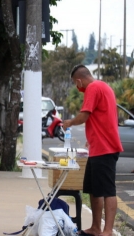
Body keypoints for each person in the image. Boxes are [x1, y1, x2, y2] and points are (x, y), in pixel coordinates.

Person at [62, 65, 123, 236]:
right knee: (94, 189)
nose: (77, 87)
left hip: (105, 148)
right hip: (97, 147)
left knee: (107, 190)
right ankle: (96, 227)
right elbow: (99, 118)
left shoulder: (93, 88)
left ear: (79, 80)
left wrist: (69, 123)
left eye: (76, 83)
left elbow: (84, 115)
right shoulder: (104, 87)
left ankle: (107, 230)